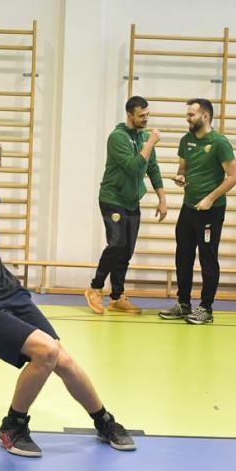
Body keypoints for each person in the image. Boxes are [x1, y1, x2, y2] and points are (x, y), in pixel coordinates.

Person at [0, 136, 135, 458]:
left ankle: (104, 420)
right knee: (46, 352)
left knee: (63, 359)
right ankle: (13, 426)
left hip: (9, 291)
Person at [158, 98, 236, 325]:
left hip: (211, 211)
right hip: (189, 208)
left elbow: (234, 176)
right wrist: (181, 177)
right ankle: (184, 304)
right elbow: (183, 169)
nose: (187, 118)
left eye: (191, 115)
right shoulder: (186, 141)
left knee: (207, 258)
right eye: (187, 114)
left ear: (205, 116)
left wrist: (210, 198)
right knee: (183, 256)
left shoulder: (219, 143)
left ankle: (206, 308)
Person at [85, 96, 167, 315]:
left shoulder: (142, 137)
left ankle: (117, 296)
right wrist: (150, 143)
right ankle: (95, 288)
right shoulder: (117, 137)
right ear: (129, 115)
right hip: (113, 199)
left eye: (148, 115)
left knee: (127, 250)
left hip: (132, 201)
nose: (146, 119)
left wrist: (162, 199)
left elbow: (153, 168)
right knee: (117, 243)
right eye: (142, 116)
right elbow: (133, 167)